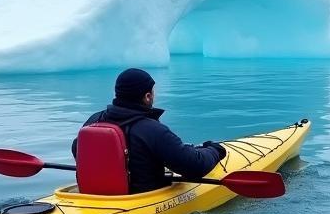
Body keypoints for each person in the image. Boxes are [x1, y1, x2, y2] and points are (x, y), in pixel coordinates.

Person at [71, 68, 226, 193]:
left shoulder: (94, 120)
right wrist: (214, 150)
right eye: (153, 92)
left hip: (92, 197)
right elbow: (195, 166)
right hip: (139, 201)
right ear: (147, 96)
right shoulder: (152, 130)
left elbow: (76, 149)